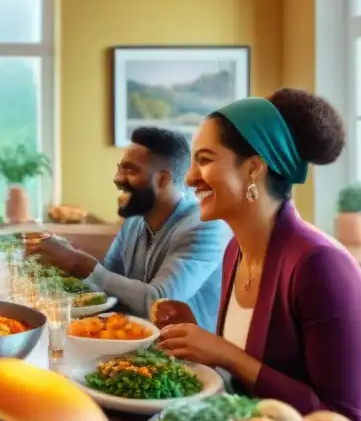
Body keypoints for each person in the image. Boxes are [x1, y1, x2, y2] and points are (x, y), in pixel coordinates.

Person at [157, 89, 361, 421]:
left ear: (253, 169)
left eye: (205, 161)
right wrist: (198, 335)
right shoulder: (236, 251)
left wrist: (225, 352)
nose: (190, 177)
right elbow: (262, 367)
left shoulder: (321, 267)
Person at [33, 127, 230, 330]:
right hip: (131, 343)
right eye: (120, 169)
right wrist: (65, 258)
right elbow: (106, 282)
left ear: (162, 179)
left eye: (130, 170)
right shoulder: (134, 221)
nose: (118, 178)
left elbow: (159, 302)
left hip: (184, 358)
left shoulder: (206, 226)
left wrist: (76, 261)